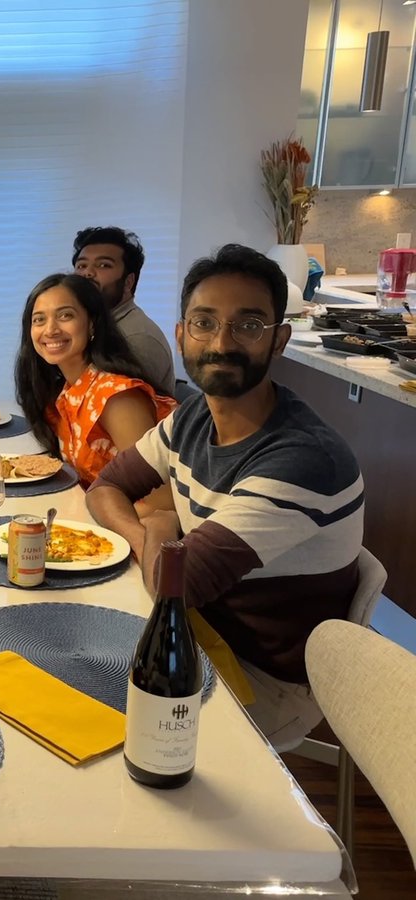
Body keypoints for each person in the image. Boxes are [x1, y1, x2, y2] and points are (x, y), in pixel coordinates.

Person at [86, 243, 364, 750]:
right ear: (181, 334)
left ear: (279, 340)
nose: (222, 342)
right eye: (204, 322)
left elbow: (178, 586)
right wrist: (148, 529)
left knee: (77, 711)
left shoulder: (302, 460)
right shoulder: (194, 415)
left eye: (249, 325)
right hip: (193, 629)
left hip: (260, 678)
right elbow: (106, 488)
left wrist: (163, 532)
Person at [15, 273, 175, 489]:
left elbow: (160, 498)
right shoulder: (67, 390)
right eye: (39, 320)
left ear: (92, 324)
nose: (50, 330)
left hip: (130, 520)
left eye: (65, 316)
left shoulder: (117, 397)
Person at [72, 226, 175, 396]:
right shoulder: (90, 326)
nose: (88, 273)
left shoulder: (137, 339)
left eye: (104, 265)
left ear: (128, 282)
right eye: (81, 265)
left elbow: (114, 410)